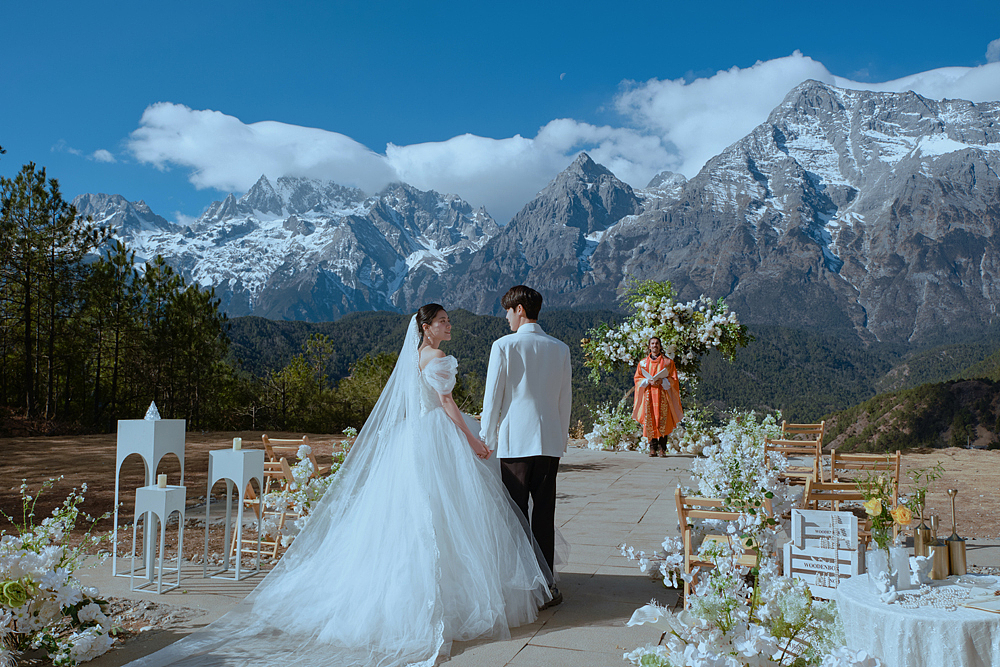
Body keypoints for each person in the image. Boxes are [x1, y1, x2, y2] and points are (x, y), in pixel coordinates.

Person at [127, 304, 552, 667]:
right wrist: (474, 439)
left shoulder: (414, 359)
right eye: (442, 321)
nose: (449, 326)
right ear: (425, 327)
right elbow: (446, 404)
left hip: (414, 439)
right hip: (438, 436)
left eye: (447, 321)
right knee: (444, 515)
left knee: (418, 516)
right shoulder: (436, 360)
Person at [480, 285, 572, 608]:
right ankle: (547, 584)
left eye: (508, 310)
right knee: (544, 515)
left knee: (514, 516)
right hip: (548, 442)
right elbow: (565, 401)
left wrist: (485, 438)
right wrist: (560, 441)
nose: (506, 317)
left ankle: (519, 588)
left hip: (514, 442)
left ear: (520, 309)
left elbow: (492, 399)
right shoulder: (560, 348)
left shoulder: (503, 346)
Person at [632, 336, 682, 457]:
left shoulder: (668, 362)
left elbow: (674, 379)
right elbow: (637, 379)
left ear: (660, 346)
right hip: (648, 394)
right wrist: (647, 381)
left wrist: (663, 381)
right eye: (652, 343)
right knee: (650, 420)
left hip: (663, 395)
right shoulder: (643, 363)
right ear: (649, 346)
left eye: (657, 343)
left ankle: (662, 448)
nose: (655, 345)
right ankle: (652, 448)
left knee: (663, 420)